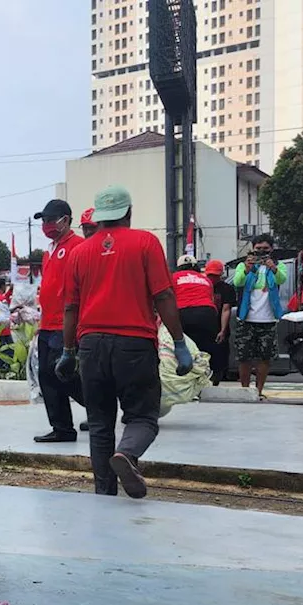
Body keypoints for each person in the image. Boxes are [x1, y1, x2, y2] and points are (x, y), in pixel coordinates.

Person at [59, 185, 194, 498]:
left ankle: (104, 492)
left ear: (100, 217)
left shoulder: (79, 253)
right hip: (134, 344)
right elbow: (163, 294)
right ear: (128, 213)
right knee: (143, 416)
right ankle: (128, 454)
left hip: (91, 345)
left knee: (100, 423)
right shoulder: (145, 242)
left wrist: (68, 351)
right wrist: (179, 342)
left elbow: (70, 307)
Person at [33, 198, 88, 442]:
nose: (45, 225)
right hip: (47, 324)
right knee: (46, 375)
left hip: (65, 323)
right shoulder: (49, 251)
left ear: (65, 220)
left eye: (48, 220)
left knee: (63, 373)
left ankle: (98, 405)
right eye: (43, 220)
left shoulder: (77, 246)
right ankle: (62, 428)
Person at [232, 236, 287, 399]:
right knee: (244, 357)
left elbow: (282, 279)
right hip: (246, 318)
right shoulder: (243, 265)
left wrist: (273, 267)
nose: (262, 253)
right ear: (252, 249)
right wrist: (248, 269)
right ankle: (244, 390)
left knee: (265, 357)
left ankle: (259, 391)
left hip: (268, 319)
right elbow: (237, 282)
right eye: (258, 249)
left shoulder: (278, 265)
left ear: (271, 250)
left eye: (265, 249)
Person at [171, 255, 219, 359]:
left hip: (183, 313)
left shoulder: (173, 277)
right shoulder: (205, 279)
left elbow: (167, 299)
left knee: (183, 347)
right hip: (207, 313)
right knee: (205, 349)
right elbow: (211, 299)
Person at [203, 259, 236, 385]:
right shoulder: (203, 285)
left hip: (219, 325)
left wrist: (222, 330)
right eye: (210, 275)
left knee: (220, 357)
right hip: (204, 326)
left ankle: (218, 378)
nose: (212, 278)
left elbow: (226, 309)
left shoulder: (226, 288)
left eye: (215, 275)